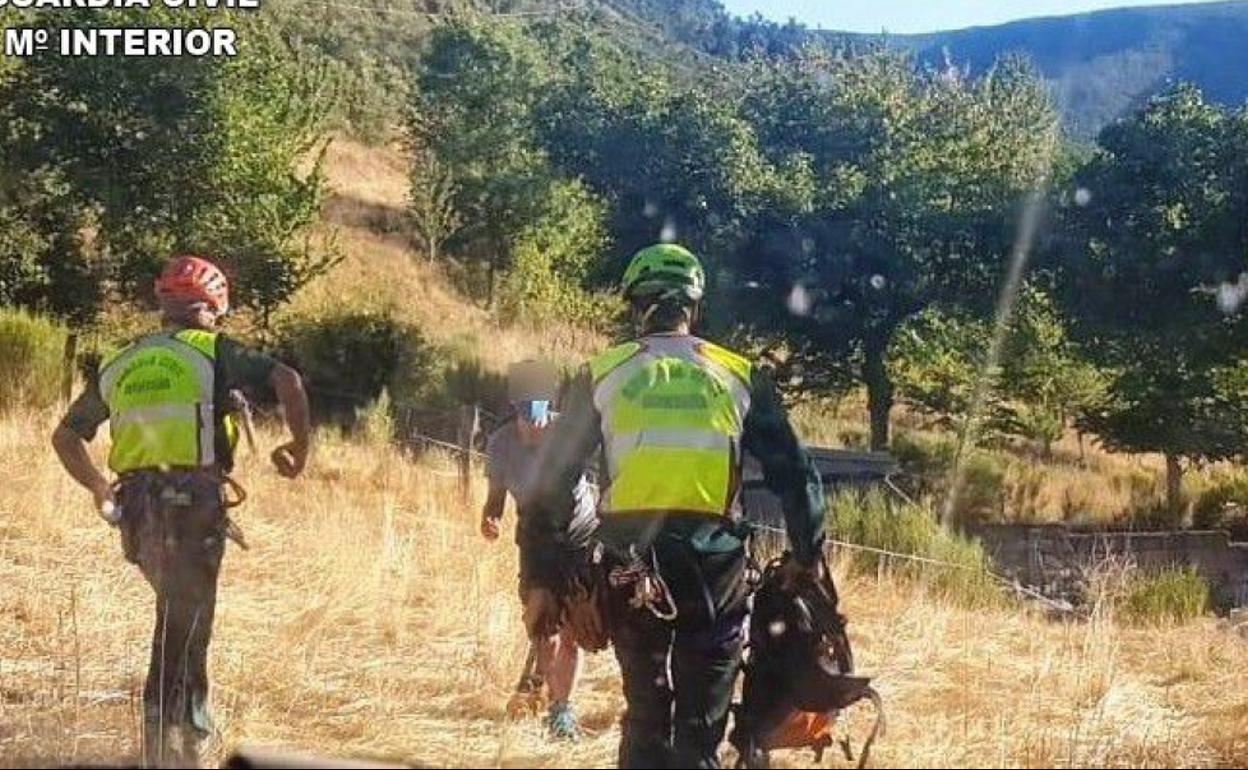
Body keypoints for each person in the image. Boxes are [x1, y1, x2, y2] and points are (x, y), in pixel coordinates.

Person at [532, 243, 827, 769]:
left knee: (645, 715)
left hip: (631, 567)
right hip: (713, 569)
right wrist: (807, 554)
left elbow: (553, 482)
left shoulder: (602, 374)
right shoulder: (737, 375)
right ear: (694, 307)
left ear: (634, 306)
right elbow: (795, 473)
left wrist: (544, 575)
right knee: (700, 727)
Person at [51, 255, 312, 767]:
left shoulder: (121, 360)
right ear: (214, 307)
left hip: (134, 509)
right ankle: (174, 736)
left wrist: (98, 485)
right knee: (187, 619)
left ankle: (180, 731)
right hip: (192, 500)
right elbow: (288, 380)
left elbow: (65, 435)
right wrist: (299, 447)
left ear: (163, 303)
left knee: (178, 612)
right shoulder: (214, 349)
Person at [482, 365, 597, 741]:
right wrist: (491, 519)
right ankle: (539, 689)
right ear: (514, 402)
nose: (533, 414)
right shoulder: (501, 443)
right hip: (534, 537)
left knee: (572, 631)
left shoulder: (568, 434)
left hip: (578, 536)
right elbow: (495, 498)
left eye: (539, 401)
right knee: (540, 625)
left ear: (550, 401)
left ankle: (561, 711)